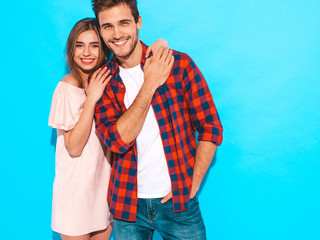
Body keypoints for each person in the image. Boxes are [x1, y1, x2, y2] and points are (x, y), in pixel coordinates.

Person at [91, 0, 224, 239]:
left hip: (179, 204)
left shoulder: (178, 64)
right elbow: (117, 141)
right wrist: (150, 83)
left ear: (138, 22)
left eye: (124, 22)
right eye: (108, 26)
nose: (117, 33)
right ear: (100, 31)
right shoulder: (103, 82)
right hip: (127, 206)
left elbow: (210, 126)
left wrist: (192, 183)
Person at [48, 18, 170, 240]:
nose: (87, 52)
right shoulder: (67, 88)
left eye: (94, 45)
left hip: (105, 192)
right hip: (75, 195)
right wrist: (91, 99)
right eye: (79, 45)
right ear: (71, 49)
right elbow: (74, 148)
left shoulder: (110, 81)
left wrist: (161, 43)